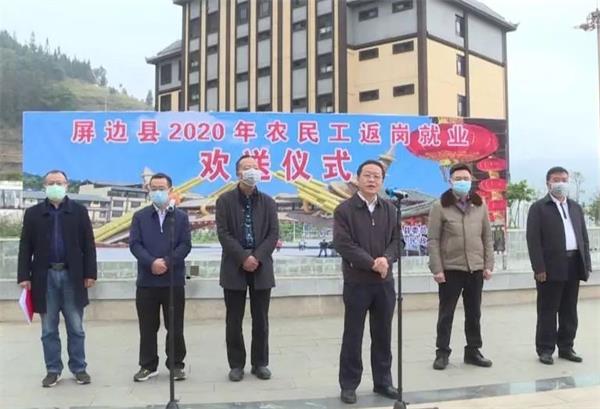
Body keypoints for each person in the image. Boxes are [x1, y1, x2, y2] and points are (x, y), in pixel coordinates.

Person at [17, 170, 97, 387]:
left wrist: (90, 273)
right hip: (44, 277)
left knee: (76, 327)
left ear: (67, 185)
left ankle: (79, 368)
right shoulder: (33, 213)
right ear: (44, 186)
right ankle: (53, 369)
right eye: (51, 183)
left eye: (59, 183)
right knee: (48, 329)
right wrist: (24, 275)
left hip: (73, 276)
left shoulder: (79, 212)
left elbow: (89, 245)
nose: (55, 186)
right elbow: (25, 246)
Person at [333, 159, 402, 404]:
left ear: (382, 181)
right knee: (353, 335)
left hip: (384, 283)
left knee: (383, 334)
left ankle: (383, 382)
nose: (372, 180)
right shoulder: (344, 210)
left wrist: (386, 259)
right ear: (358, 178)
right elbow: (343, 244)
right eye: (367, 175)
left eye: (377, 176)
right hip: (357, 283)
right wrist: (372, 263)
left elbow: (398, 241)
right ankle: (349, 384)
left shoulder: (390, 209)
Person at [215, 155, 279, 382]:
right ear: (238, 173)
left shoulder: (269, 202)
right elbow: (223, 233)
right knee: (234, 319)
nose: (251, 170)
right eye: (246, 167)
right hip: (234, 265)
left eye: (254, 166)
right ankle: (236, 365)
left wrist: (257, 257)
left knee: (261, 319)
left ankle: (260, 363)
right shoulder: (224, 201)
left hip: (262, 266)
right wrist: (243, 257)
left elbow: (273, 234)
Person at [427, 163, 494, 370]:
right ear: (450, 181)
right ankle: (442, 353)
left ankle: (473, 351)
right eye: (458, 179)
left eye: (465, 178)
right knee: (446, 314)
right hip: (450, 269)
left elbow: (487, 236)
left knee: (474, 313)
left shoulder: (480, 205)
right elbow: (433, 240)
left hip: (475, 268)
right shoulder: (440, 206)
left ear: (471, 180)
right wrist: (437, 268)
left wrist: (488, 264)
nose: (462, 182)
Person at [526, 166, 592, 365]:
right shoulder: (539, 208)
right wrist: (539, 268)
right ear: (548, 183)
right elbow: (533, 240)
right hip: (550, 267)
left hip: (573, 264)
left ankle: (566, 347)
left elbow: (583, 238)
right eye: (556, 179)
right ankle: (545, 349)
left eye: (564, 179)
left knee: (569, 310)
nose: (560, 183)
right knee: (548, 310)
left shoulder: (575, 207)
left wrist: (586, 263)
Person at [129, 172, 191, 382]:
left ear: (170, 190)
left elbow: (185, 245)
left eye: (161, 188)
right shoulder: (140, 217)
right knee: (147, 327)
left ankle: (176, 365)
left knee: (175, 326)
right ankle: (148, 365)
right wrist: (151, 262)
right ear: (148, 191)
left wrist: (167, 261)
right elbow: (135, 244)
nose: (157, 192)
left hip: (173, 281)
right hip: (147, 281)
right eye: (153, 188)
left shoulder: (180, 217)